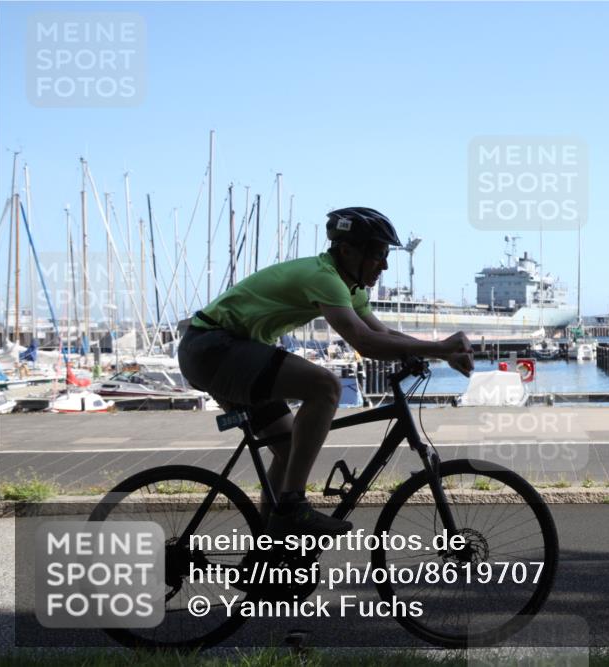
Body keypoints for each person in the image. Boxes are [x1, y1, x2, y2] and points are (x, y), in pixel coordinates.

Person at [178, 207, 474, 538]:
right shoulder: (325, 278)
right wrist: (441, 347)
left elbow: (385, 335)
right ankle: (292, 506)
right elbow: (364, 342)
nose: (385, 265)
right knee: (325, 386)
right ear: (347, 251)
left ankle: (269, 552)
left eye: (386, 254)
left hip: (230, 351)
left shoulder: (352, 289)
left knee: (289, 449)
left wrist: (442, 352)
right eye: (377, 254)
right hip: (212, 347)